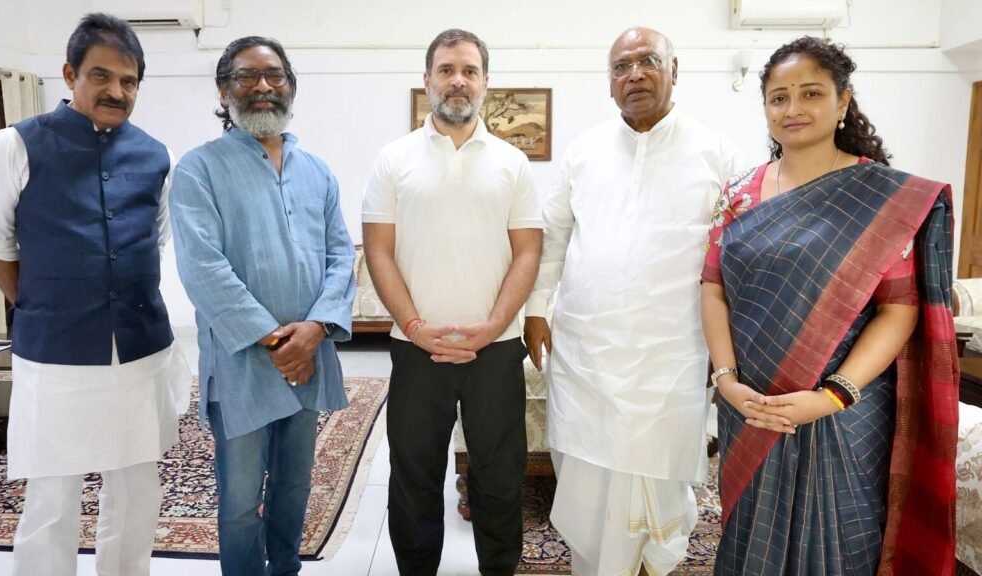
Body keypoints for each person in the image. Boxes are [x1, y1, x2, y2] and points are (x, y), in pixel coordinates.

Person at [701, 36, 958, 575]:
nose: (793, 109)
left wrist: (832, 396)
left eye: (811, 93)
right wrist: (726, 380)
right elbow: (714, 287)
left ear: (843, 101)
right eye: (778, 97)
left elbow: (899, 309)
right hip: (752, 403)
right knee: (751, 533)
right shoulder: (739, 193)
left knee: (842, 538)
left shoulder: (884, 198)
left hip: (846, 407)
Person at [0, 13, 190, 576]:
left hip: (141, 351)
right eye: (101, 75)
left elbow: (154, 239)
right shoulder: (12, 145)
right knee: (51, 494)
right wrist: (41, 304)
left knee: (138, 488)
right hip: (54, 354)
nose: (117, 91)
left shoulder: (155, 154)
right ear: (70, 75)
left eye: (130, 81)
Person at [523, 26, 744, 576]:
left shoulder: (716, 152)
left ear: (674, 69)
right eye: (621, 66)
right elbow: (552, 237)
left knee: (659, 482)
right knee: (585, 479)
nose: (635, 75)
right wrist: (535, 308)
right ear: (610, 82)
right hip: (587, 350)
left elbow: (737, 252)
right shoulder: (584, 150)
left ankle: (650, 567)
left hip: (671, 354)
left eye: (648, 61)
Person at [170, 35, 356, 576]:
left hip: (308, 354)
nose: (263, 87)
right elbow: (202, 268)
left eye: (275, 76)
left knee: (296, 482)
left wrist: (316, 329)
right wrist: (278, 341)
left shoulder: (316, 170)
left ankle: (287, 568)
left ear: (290, 87)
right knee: (240, 496)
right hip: (244, 362)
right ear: (224, 89)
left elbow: (341, 254)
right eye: (247, 77)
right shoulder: (199, 169)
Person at [362, 28, 542, 576]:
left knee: (499, 473)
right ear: (427, 80)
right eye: (446, 69)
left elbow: (528, 253)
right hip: (417, 351)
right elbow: (379, 251)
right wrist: (415, 328)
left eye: (468, 70)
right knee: (414, 475)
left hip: (497, 349)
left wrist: (492, 327)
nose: (457, 80)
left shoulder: (514, 163)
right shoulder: (393, 160)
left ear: (486, 82)